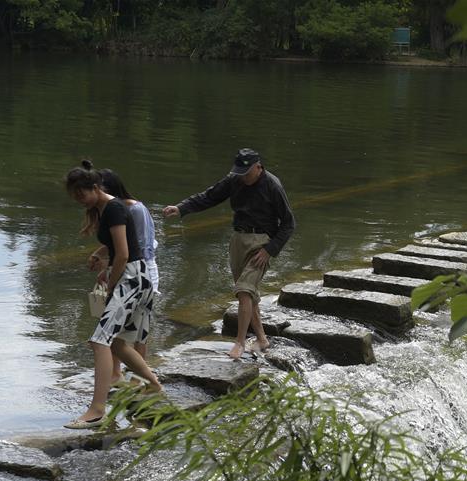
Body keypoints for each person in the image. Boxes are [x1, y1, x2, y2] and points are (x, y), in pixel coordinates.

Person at [163, 148, 296, 361]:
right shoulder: (234, 179)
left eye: (247, 172)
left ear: (258, 167)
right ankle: (262, 339)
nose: (242, 176)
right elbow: (209, 196)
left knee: (243, 291)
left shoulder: (272, 185)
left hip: (261, 242)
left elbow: (289, 224)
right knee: (249, 295)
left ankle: (240, 342)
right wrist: (181, 208)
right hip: (238, 240)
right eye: (239, 172)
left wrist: (269, 251)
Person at [65, 160, 162, 429]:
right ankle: (153, 385)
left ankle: (97, 411)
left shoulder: (115, 209)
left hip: (132, 278)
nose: (79, 200)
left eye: (82, 194)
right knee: (119, 343)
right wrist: (100, 256)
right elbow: (118, 248)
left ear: (95, 187)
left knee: (100, 340)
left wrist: (111, 286)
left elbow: (123, 253)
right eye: (75, 197)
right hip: (139, 277)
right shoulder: (107, 208)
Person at [87, 169, 160, 386]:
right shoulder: (112, 209)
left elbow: (135, 246)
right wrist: (103, 261)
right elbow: (115, 244)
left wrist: (112, 273)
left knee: (137, 332)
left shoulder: (133, 209)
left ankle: (140, 379)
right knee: (115, 329)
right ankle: (116, 373)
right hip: (121, 269)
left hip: (140, 272)